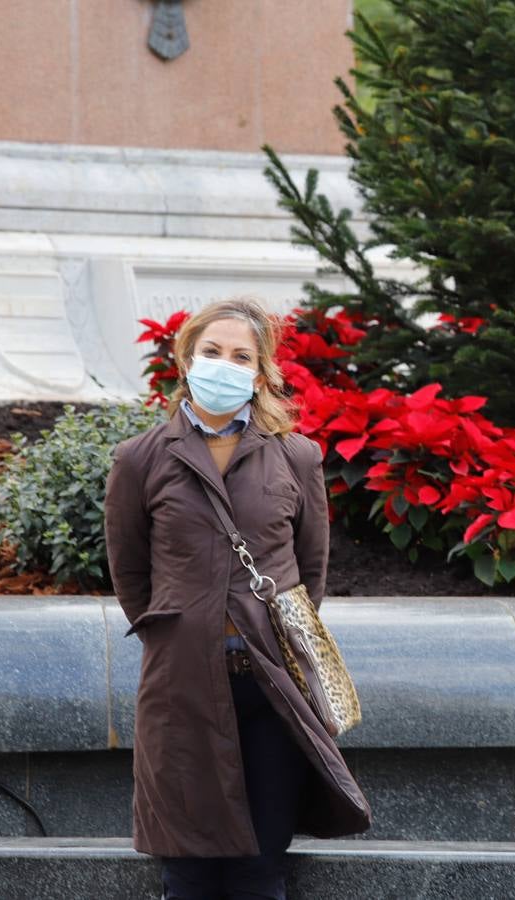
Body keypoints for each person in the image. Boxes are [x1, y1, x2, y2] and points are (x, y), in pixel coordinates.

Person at [104, 297, 370, 900]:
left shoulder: (296, 457)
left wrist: (262, 633)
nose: (224, 364)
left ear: (261, 372)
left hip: (272, 685)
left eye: (241, 355)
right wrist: (183, 632)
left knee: (259, 870)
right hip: (181, 687)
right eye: (212, 351)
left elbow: (310, 571)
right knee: (188, 873)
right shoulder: (141, 459)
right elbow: (130, 574)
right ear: (186, 358)